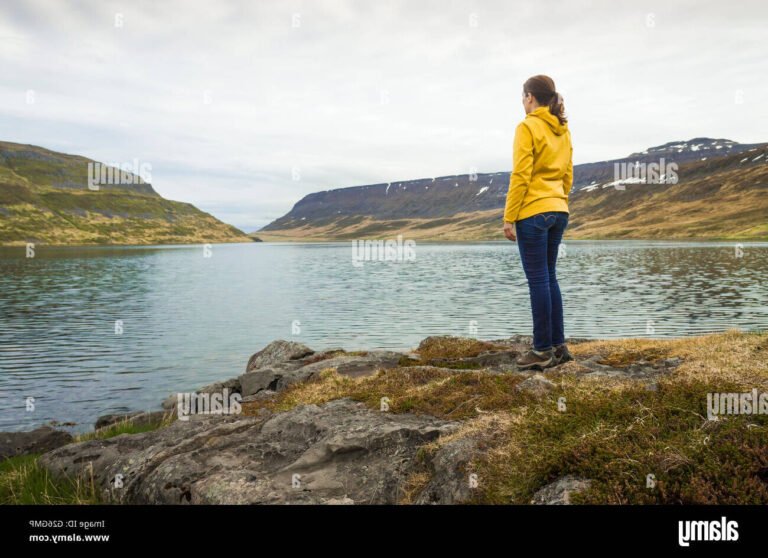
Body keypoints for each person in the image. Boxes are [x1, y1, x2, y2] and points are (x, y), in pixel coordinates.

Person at [503, 75, 574, 371]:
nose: (522, 102)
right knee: (549, 277)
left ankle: (542, 350)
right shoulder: (562, 129)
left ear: (531, 97)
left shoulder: (527, 126)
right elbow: (568, 172)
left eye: (523, 96)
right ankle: (558, 347)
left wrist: (510, 217)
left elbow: (521, 174)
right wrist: (560, 200)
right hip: (559, 210)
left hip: (533, 212)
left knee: (539, 280)